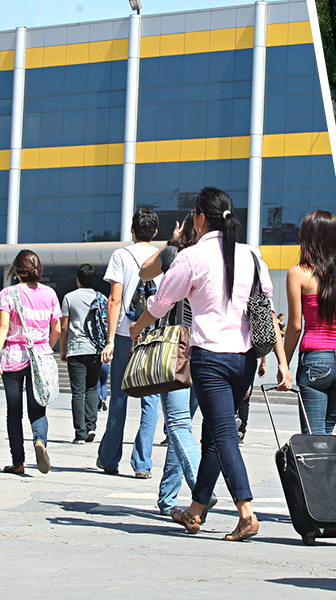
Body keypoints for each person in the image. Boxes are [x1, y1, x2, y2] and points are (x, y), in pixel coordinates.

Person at [130, 187, 292, 541]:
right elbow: (265, 307)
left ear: (200, 218)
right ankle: (195, 510)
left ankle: (246, 512)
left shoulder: (192, 257)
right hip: (245, 359)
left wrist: (136, 327)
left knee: (222, 435)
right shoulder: (252, 256)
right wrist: (274, 360)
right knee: (216, 437)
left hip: (211, 359)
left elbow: (160, 301)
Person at [134, 213, 216, 517]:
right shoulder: (219, 259)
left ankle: (200, 491)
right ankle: (168, 500)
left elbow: (144, 272)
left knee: (178, 424)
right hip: (209, 349)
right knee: (182, 426)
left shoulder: (176, 255)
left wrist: (172, 240)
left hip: (176, 347)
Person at [97, 208, 162, 479]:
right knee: (151, 400)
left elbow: (114, 299)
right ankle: (143, 463)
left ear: (132, 229)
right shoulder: (165, 256)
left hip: (125, 334)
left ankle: (110, 459)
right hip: (154, 334)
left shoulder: (120, 255)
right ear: (155, 232)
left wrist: (109, 339)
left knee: (119, 399)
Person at [283, 210, 336, 435]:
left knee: (314, 439)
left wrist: (283, 364)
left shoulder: (298, 273)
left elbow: (295, 326)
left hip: (315, 361)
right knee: (324, 434)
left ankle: (316, 471)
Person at [0, 250, 61, 475]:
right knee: (38, 409)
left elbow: (2, 327)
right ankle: (40, 442)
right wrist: (45, 348)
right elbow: (57, 328)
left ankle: (18, 462)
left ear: (17, 271)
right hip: (39, 357)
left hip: (13, 357)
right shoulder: (50, 294)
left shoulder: (7, 294)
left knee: (14, 412)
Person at [59, 264, 104, 444]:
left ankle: (80, 433)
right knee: (92, 388)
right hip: (95, 349)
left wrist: (62, 349)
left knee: (78, 392)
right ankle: (91, 426)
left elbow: (63, 327)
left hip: (76, 350)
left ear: (78, 279)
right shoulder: (100, 298)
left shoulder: (69, 298)